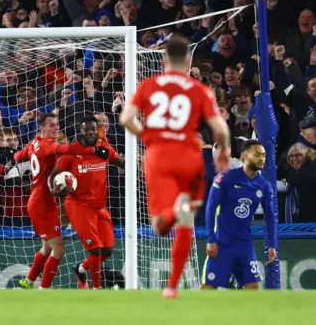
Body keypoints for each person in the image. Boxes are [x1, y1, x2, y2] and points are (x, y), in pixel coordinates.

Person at [119, 35, 231, 299]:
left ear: (164, 59)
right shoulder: (199, 89)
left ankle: (173, 211)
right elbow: (220, 128)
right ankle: (171, 287)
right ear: (188, 60)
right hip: (190, 155)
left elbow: (126, 118)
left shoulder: (149, 85)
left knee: (160, 226)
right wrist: (224, 151)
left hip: (159, 156)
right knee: (186, 221)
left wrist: (148, 136)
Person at [13, 113, 110, 289]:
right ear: (42, 128)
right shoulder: (48, 144)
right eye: (51, 125)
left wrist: (13, 155)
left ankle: (28, 282)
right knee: (59, 250)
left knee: (47, 248)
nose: (56, 127)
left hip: (43, 200)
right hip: (42, 203)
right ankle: (44, 289)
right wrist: (94, 150)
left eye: (57, 124)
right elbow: (68, 150)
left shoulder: (34, 141)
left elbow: (20, 156)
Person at [49, 115, 124, 290]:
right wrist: (54, 190)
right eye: (86, 129)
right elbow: (53, 175)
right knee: (95, 249)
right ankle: (97, 289)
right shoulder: (72, 152)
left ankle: (81, 269)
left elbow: (121, 163)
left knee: (107, 251)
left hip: (99, 206)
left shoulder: (103, 148)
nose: (90, 132)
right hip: (78, 205)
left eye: (93, 129)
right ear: (80, 131)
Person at [203, 140, 277, 289]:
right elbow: (211, 207)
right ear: (244, 156)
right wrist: (211, 239)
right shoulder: (225, 178)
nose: (261, 158)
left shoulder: (264, 185)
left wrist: (272, 245)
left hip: (244, 246)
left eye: (263, 155)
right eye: (256, 155)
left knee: (253, 290)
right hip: (222, 244)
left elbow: (270, 217)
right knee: (207, 290)